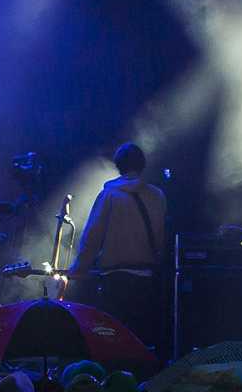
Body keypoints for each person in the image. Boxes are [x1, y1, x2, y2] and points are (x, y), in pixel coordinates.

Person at [65, 143, 167, 349]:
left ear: (118, 166)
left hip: (116, 281)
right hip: (147, 280)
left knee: (115, 342)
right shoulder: (157, 196)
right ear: (142, 165)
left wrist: (78, 270)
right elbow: (161, 237)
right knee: (142, 342)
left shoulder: (109, 196)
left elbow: (92, 237)